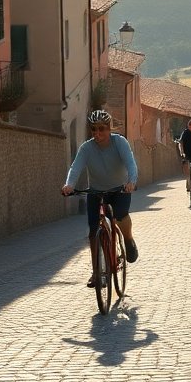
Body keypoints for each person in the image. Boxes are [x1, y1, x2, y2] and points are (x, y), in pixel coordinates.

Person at [61, 109, 139, 287]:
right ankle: (96, 273)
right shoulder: (86, 148)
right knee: (93, 231)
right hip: (96, 191)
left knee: (120, 216)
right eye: (93, 129)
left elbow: (130, 163)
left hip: (120, 189)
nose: (97, 133)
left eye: (102, 129)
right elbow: (75, 167)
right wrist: (69, 185)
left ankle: (128, 239)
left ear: (109, 128)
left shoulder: (119, 142)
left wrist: (131, 182)